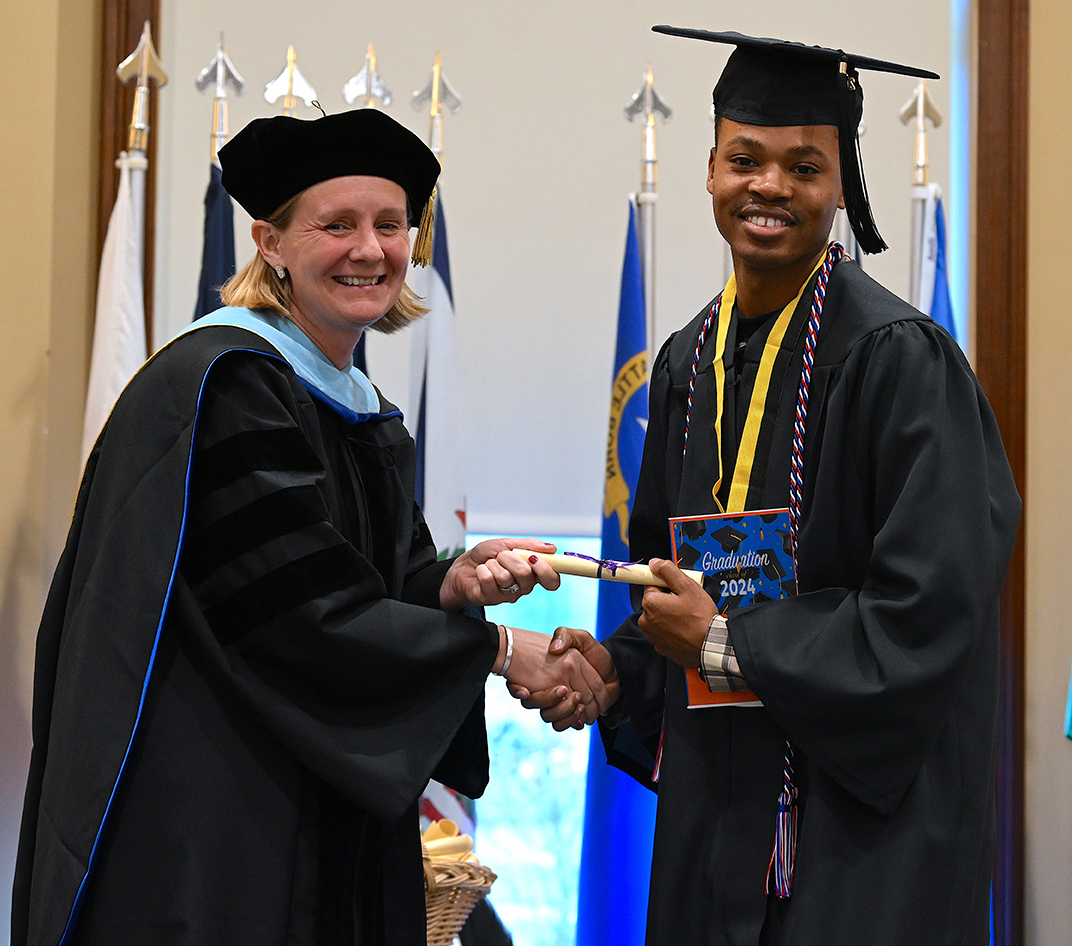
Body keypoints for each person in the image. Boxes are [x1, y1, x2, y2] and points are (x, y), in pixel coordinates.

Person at [11, 108, 611, 946]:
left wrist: (451, 583)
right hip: (212, 814)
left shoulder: (353, 403)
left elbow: (360, 581)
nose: (370, 249)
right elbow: (296, 611)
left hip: (307, 801)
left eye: (390, 225)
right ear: (270, 243)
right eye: (337, 225)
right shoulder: (225, 385)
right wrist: (504, 650)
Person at [516, 27, 1021, 946]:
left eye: (805, 166)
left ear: (842, 185)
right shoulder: (687, 364)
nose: (771, 186)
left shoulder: (901, 363)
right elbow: (667, 580)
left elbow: (930, 614)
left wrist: (724, 641)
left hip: (860, 841)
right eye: (745, 159)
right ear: (710, 170)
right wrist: (618, 672)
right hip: (719, 814)